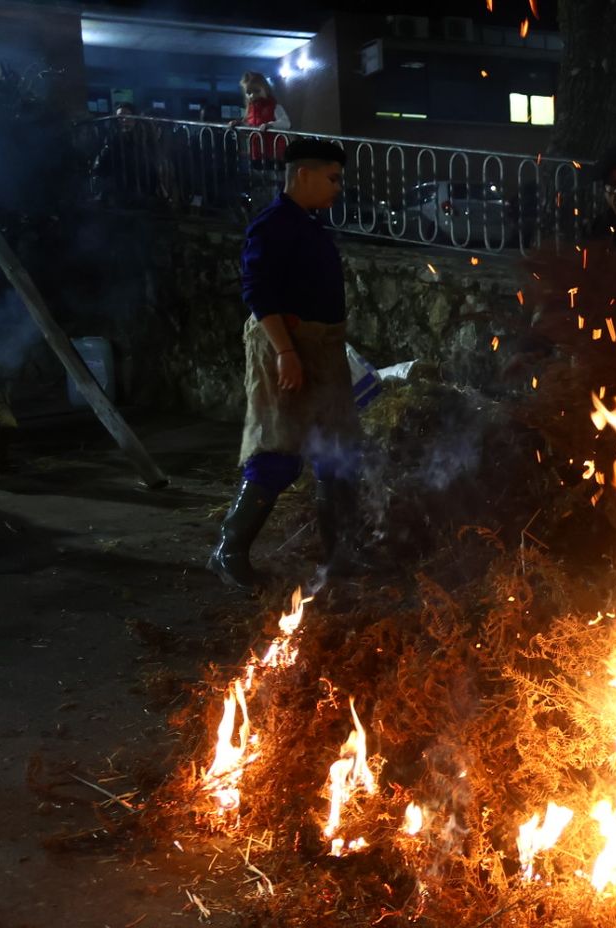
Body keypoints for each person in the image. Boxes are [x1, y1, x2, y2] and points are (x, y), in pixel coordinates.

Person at [210, 138, 364, 590]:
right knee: (278, 452)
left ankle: (338, 557)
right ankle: (228, 552)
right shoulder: (273, 224)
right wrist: (285, 353)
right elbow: (258, 292)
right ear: (304, 175)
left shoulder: (307, 225)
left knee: (338, 453)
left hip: (322, 350)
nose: (338, 187)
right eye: (332, 178)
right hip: (288, 350)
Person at [231, 71, 292, 213]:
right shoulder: (250, 110)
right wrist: (238, 125)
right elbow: (249, 126)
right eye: (249, 93)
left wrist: (271, 125)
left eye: (256, 91)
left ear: (265, 88)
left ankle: (275, 214)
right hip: (257, 154)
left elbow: (286, 123)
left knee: (274, 187)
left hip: (274, 154)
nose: (252, 95)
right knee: (259, 187)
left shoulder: (274, 106)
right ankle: (262, 214)